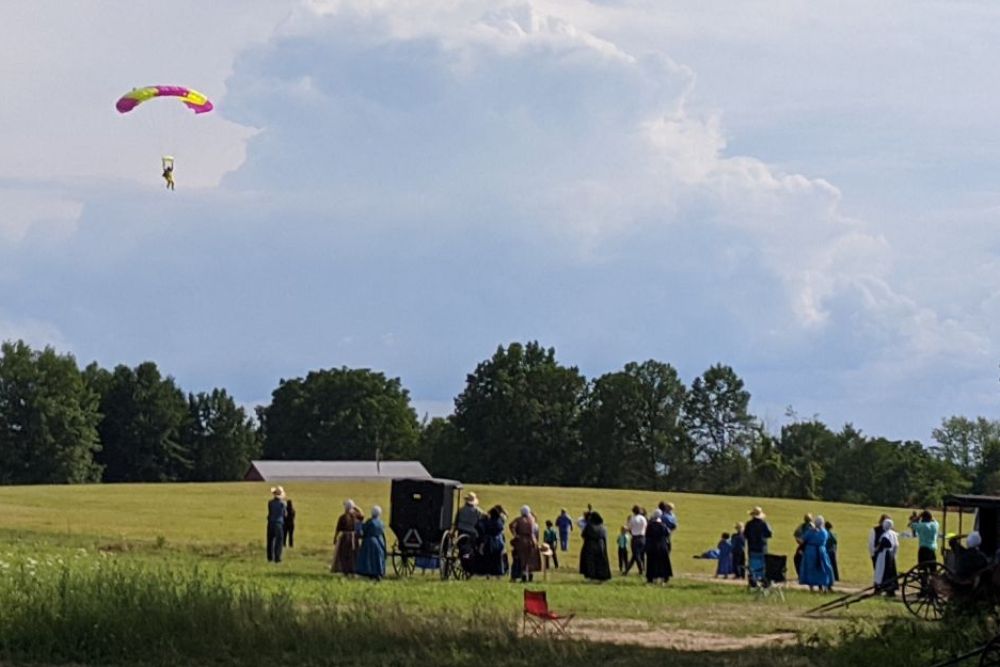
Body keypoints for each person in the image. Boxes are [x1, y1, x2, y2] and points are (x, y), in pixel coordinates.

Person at [798, 516, 834, 592]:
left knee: (811, 568)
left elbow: (803, 539)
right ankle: (823, 585)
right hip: (821, 551)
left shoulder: (810, 532)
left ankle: (811, 587)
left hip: (810, 552)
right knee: (823, 568)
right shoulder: (824, 532)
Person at [332, 499, 364, 574]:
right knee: (353, 554)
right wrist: (355, 507)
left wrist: (335, 538)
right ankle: (353, 569)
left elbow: (338, 529)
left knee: (344, 554)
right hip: (354, 538)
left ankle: (345, 570)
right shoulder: (355, 516)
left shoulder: (342, 517)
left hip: (345, 538)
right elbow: (362, 515)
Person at [355, 505, 387, 581]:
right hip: (379, 541)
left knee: (369, 559)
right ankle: (378, 573)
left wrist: (359, 524)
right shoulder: (381, 523)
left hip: (369, 541)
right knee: (378, 558)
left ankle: (370, 573)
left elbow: (363, 531)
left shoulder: (370, 522)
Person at [744, 506, 773, 587]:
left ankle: (753, 581)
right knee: (763, 566)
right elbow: (769, 534)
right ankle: (764, 581)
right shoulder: (764, 524)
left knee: (752, 565)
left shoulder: (749, 524)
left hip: (752, 548)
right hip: (762, 548)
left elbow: (745, 535)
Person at [510, 506, 540, 582]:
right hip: (532, 540)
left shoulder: (519, 520)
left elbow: (511, 525)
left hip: (522, 540)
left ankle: (523, 576)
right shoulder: (533, 519)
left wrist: (515, 534)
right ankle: (530, 576)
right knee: (531, 559)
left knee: (523, 558)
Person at [580, 510, 612, 581]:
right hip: (601, 545)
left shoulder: (589, 525)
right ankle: (601, 575)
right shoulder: (602, 526)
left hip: (590, 545)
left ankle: (592, 576)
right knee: (600, 561)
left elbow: (583, 535)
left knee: (591, 562)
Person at [645, 509, 673, 584]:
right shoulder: (663, 525)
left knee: (651, 562)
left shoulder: (650, 526)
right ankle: (664, 577)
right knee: (663, 563)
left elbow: (647, 535)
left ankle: (651, 578)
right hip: (662, 546)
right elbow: (668, 533)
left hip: (652, 546)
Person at [873, 518, 899, 596]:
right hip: (891, 554)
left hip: (884, 554)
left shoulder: (885, 534)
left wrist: (877, 550)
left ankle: (880, 586)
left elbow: (885, 543)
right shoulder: (894, 534)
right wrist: (894, 553)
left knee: (881, 570)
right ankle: (891, 588)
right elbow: (896, 545)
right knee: (891, 572)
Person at [623, 505, 648, 576]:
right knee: (635, 555)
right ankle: (626, 571)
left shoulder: (633, 519)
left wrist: (625, 528)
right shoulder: (643, 518)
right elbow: (646, 527)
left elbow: (629, 528)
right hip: (643, 538)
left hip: (635, 538)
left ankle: (641, 570)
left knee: (636, 555)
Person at [266, 486, 286, 563]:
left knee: (270, 540)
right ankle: (277, 557)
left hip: (270, 522)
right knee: (279, 541)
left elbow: (270, 513)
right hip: (279, 523)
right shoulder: (282, 503)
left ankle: (269, 557)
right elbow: (284, 514)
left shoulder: (270, 503)